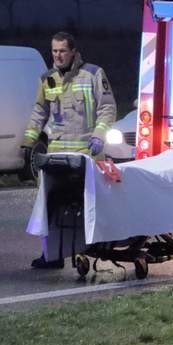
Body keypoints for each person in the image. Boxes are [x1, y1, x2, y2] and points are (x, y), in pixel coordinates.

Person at [22, 32, 119, 269]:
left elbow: (107, 108)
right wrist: (28, 143)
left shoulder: (93, 74)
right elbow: (39, 112)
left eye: (62, 50)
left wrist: (98, 137)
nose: (57, 55)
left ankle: (87, 249)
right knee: (49, 206)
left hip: (86, 155)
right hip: (56, 157)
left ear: (73, 52)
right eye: (54, 51)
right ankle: (51, 256)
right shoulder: (47, 79)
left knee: (87, 208)